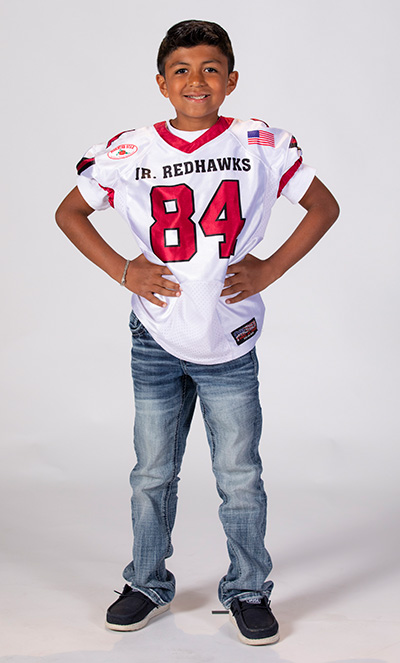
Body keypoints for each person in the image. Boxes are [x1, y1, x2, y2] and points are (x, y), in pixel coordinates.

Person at [55, 19, 339, 646]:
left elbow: (324, 206)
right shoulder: (132, 150)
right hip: (155, 333)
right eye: (181, 69)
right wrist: (125, 269)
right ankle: (148, 581)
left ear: (231, 80)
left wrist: (268, 268)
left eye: (211, 68)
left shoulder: (259, 141)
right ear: (161, 83)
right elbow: (69, 211)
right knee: (152, 469)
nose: (196, 80)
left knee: (239, 471)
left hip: (229, 334)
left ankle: (247, 588)